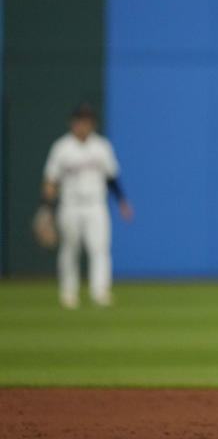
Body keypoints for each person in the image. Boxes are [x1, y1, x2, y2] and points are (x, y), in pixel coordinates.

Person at [42, 102, 133, 308]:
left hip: (95, 205)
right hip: (70, 205)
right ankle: (68, 292)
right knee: (70, 249)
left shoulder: (101, 147)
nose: (84, 124)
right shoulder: (62, 148)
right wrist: (46, 209)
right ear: (72, 123)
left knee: (99, 249)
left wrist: (122, 202)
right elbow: (50, 180)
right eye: (80, 120)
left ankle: (100, 291)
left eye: (88, 121)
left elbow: (112, 177)